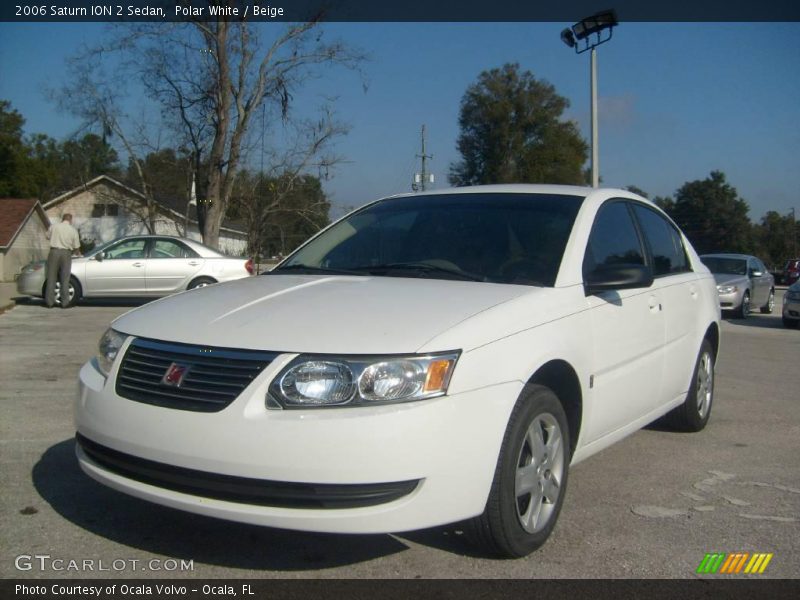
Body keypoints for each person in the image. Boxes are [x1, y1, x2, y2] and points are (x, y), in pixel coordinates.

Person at [45, 213, 81, 308]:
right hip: (66, 253)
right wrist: (78, 253)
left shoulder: (54, 226)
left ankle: (49, 302)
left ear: (62, 219)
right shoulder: (73, 230)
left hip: (54, 252)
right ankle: (65, 303)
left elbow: (47, 236)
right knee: (65, 278)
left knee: (51, 277)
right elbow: (76, 246)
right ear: (70, 220)